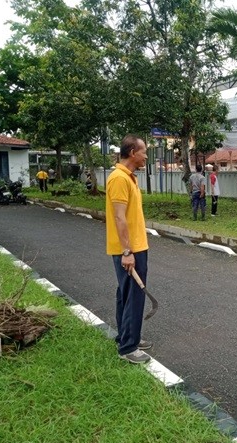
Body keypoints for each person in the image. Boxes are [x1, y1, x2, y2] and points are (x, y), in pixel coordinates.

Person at [106, 134, 151, 364]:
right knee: (133, 296)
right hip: (129, 249)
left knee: (126, 294)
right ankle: (128, 347)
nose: (146, 156)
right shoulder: (119, 179)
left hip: (135, 247)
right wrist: (127, 251)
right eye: (144, 152)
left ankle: (126, 336)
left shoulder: (128, 177)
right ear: (133, 153)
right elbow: (119, 218)